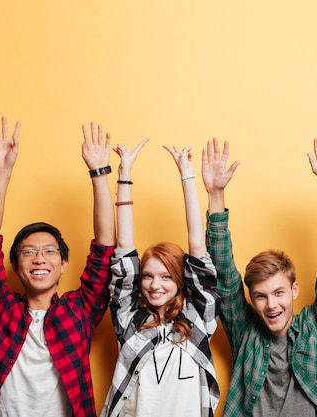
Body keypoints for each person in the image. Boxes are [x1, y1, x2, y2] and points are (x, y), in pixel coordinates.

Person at [0, 120, 116, 417]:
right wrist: (2, 172)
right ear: (16, 268)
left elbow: (105, 252)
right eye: (28, 253)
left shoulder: (79, 310)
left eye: (49, 252)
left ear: (63, 264)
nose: (39, 259)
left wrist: (99, 174)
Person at [204, 136, 317, 417]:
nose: (271, 305)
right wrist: (215, 196)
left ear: (294, 289)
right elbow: (222, 273)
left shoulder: (316, 329)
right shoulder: (245, 330)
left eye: (278, 293)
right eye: (260, 296)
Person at [100, 139, 220, 417]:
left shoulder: (198, 319)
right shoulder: (130, 321)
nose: (155, 285)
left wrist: (187, 175)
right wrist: (124, 175)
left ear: (180, 279)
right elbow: (125, 249)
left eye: (167, 276)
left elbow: (198, 249)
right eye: (148, 276)